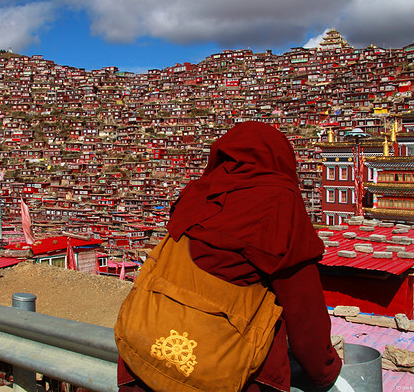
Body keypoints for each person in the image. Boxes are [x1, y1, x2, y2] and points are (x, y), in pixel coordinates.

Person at [115, 121, 342, 391]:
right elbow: (305, 310)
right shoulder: (279, 205)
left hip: (144, 361)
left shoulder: (198, 194)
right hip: (227, 376)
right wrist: (324, 373)